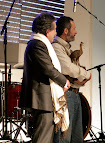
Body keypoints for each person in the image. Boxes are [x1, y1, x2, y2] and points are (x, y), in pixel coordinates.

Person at [19, 12, 70, 143]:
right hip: (41, 100)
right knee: (42, 138)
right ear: (47, 31)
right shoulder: (37, 44)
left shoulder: (37, 43)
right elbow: (48, 68)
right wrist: (64, 81)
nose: (55, 34)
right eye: (54, 30)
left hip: (44, 100)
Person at [52, 16, 91, 143]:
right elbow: (67, 68)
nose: (76, 32)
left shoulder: (66, 48)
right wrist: (85, 74)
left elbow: (72, 71)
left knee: (77, 137)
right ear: (66, 31)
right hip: (65, 96)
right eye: (74, 29)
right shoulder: (56, 47)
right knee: (65, 137)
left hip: (74, 95)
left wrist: (79, 80)